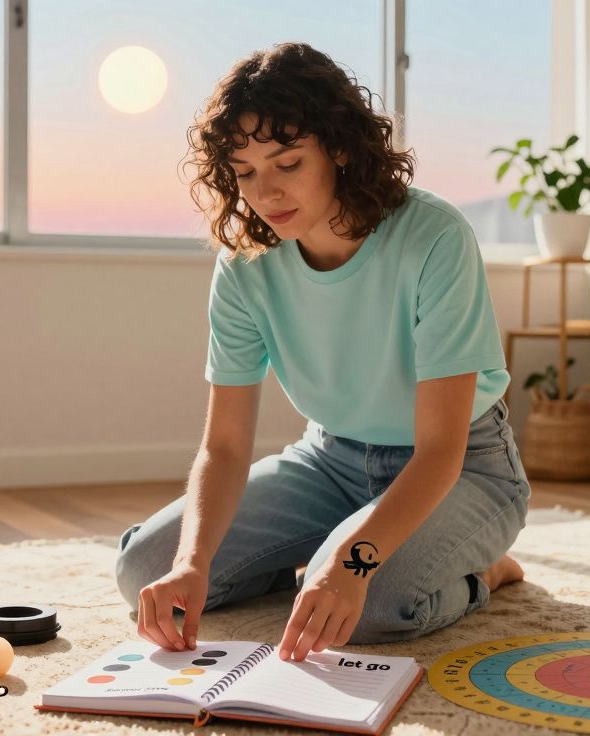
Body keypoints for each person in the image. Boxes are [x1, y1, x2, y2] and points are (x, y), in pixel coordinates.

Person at [115, 42, 530, 664]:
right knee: (146, 568)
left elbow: (440, 452)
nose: (267, 192)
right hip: (330, 460)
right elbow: (225, 446)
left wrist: (349, 561)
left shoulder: (435, 239)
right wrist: (192, 564)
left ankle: (485, 570)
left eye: (287, 163)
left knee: (377, 605)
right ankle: (324, 559)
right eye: (246, 172)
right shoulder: (245, 268)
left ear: (339, 147)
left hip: (461, 467)